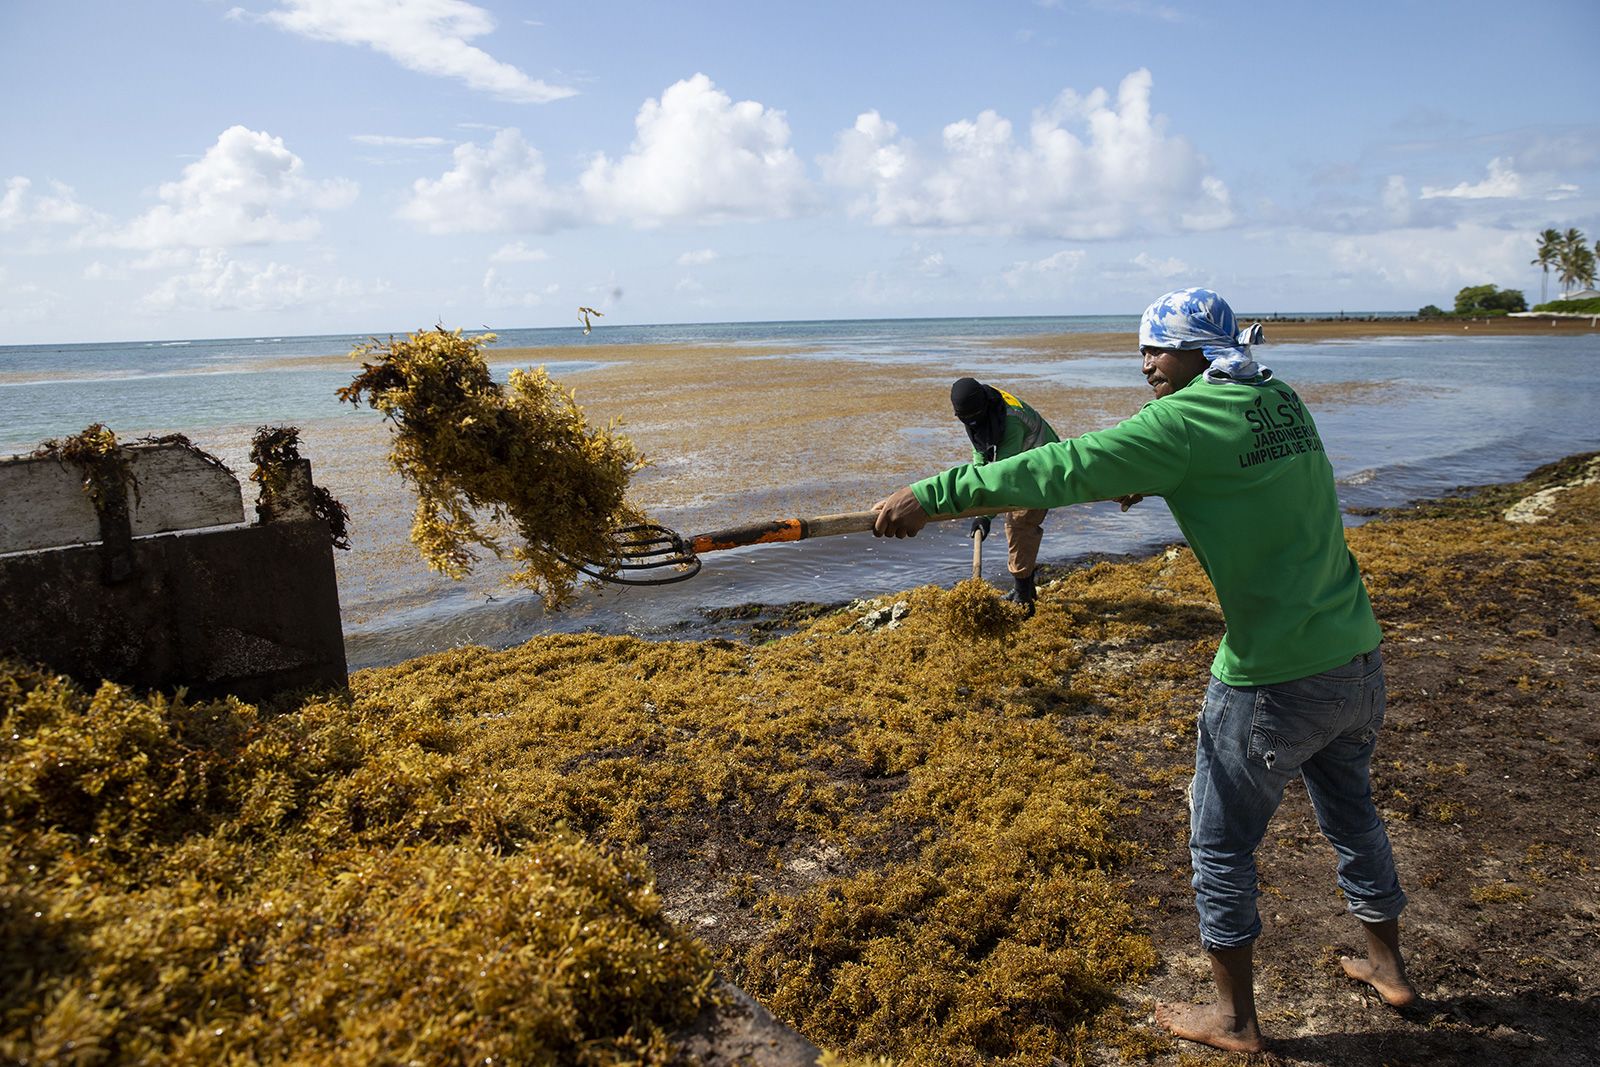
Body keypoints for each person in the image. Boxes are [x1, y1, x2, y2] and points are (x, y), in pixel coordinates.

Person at [873, 288, 1415, 1053]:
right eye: (1142, 349)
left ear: (1198, 350)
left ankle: (1235, 1019)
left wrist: (932, 496)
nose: (1146, 364)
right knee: (1353, 813)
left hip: (1270, 675)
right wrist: (1150, 472)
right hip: (1355, 654)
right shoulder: (1277, 397)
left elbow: (1064, 465)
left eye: (1158, 349)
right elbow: (1230, 472)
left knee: (1221, 844)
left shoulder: (1181, 422)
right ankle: (1390, 968)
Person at [948, 377, 1059, 614]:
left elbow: (1003, 478)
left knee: (1019, 523)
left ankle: (1023, 598)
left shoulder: (1010, 421)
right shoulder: (983, 407)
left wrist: (985, 516)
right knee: (1018, 524)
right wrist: (977, 492)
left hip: (1044, 465)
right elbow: (981, 454)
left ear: (982, 409)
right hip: (1024, 460)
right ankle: (1026, 589)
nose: (970, 423)